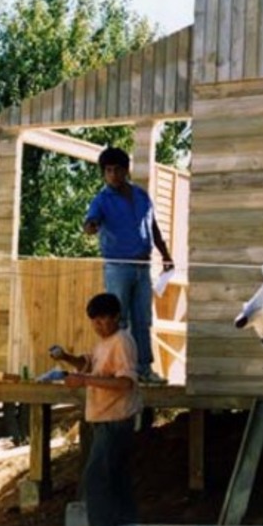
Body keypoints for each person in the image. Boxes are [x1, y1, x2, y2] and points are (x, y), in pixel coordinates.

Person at [50, 293, 142, 526]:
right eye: (95, 322)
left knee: (97, 480)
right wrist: (66, 357)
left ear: (116, 317)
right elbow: (88, 364)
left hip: (116, 421)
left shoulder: (121, 341)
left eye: (103, 321)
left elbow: (125, 383)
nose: (99, 327)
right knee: (116, 481)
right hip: (105, 420)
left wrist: (84, 381)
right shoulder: (104, 341)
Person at [84, 146, 173, 382]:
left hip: (143, 266)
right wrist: (90, 226)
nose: (112, 175)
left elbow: (153, 226)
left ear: (126, 171)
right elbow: (91, 222)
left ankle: (145, 369)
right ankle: (117, 369)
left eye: (117, 170)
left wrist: (165, 253)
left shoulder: (142, 196)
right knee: (117, 319)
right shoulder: (101, 200)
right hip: (118, 267)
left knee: (143, 318)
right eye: (108, 170)